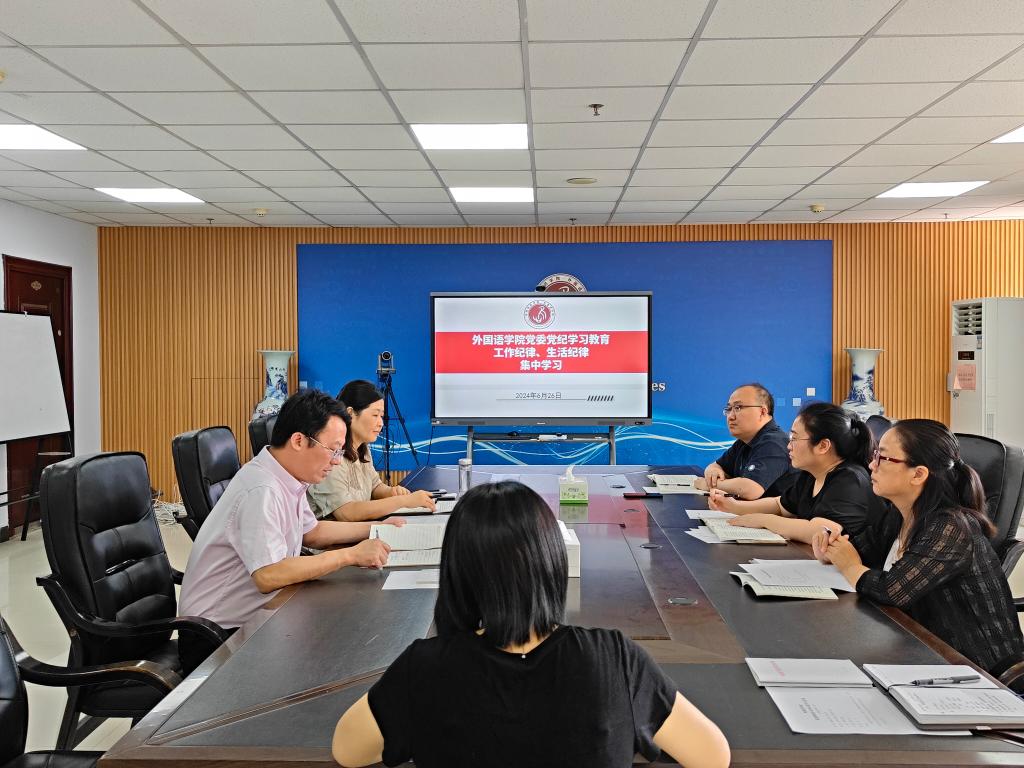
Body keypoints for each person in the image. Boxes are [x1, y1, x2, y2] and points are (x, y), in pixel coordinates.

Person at [331, 481, 730, 768]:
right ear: (550, 561)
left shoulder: (426, 667)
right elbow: (712, 755)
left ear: (457, 571)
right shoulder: (613, 658)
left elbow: (347, 751)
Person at [178, 389, 402, 671]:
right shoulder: (262, 488)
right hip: (218, 638)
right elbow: (269, 575)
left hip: (259, 615)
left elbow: (313, 532)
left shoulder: (287, 477)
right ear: (298, 440)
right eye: (332, 450)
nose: (336, 460)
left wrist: (376, 528)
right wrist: (349, 556)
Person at [810, 419, 1024, 673]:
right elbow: (859, 548)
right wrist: (830, 549)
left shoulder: (952, 527)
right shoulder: (899, 514)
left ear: (919, 474)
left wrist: (849, 564)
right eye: (875, 454)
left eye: (883, 458)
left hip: (981, 672)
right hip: (920, 650)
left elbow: (892, 591)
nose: (871, 465)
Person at [711, 402, 880, 539]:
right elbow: (780, 505)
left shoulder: (850, 479)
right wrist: (735, 507)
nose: (788, 446)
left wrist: (763, 520)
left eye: (794, 438)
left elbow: (820, 531)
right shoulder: (811, 474)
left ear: (823, 446)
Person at [307, 380, 435, 521]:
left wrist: (392, 492)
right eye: (375, 415)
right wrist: (403, 501)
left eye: (381, 416)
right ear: (350, 413)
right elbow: (347, 512)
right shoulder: (332, 455)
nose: (381, 423)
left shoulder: (362, 447)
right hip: (334, 540)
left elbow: (375, 486)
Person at [693, 382, 797, 499]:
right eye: (728, 409)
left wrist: (710, 485)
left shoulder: (774, 443)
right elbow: (715, 466)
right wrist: (713, 471)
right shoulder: (744, 442)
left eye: (738, 408)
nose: (730, 417)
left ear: (762, 411)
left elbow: (751, 489)